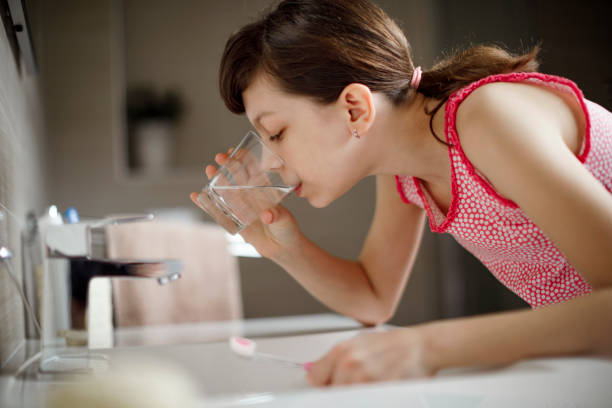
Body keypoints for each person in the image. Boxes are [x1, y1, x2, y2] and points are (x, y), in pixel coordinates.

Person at [190, 0, 612, 387]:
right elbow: (374, 299)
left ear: (355, 108)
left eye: (277, 133)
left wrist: (427, 346)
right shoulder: (401, 169)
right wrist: (284, 247)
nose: (267, 164)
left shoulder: (489, 118)